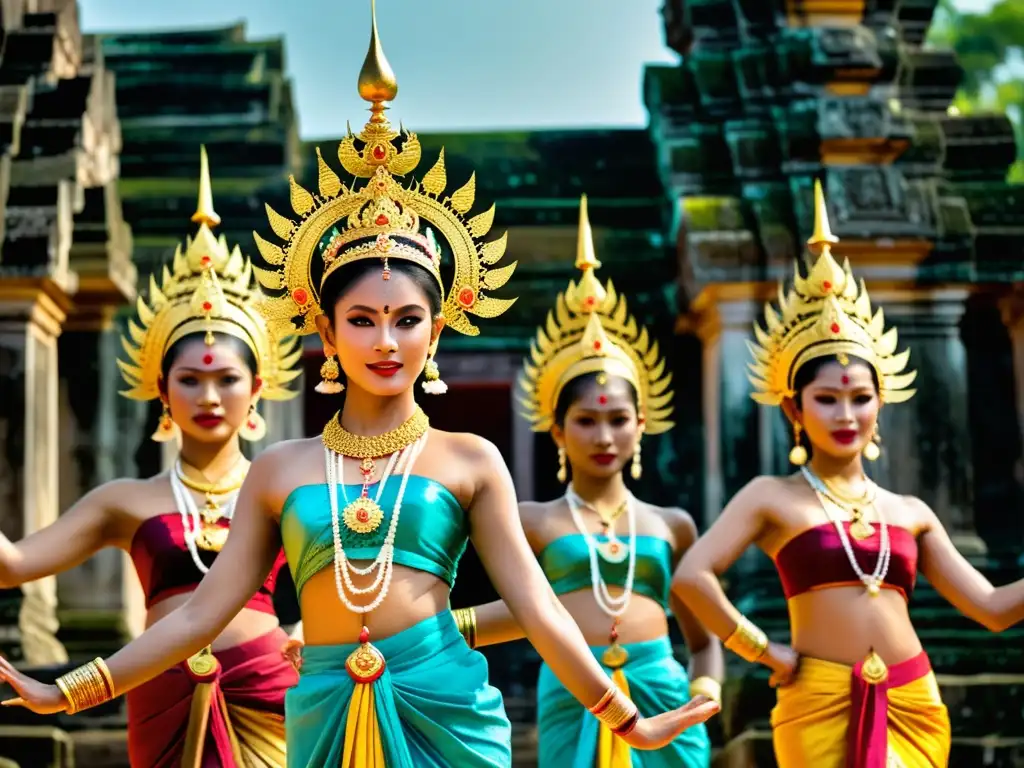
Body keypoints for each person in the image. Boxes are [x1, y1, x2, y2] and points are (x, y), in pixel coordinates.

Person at [0, 5, 720, 767]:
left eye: (408, 319)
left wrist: (625, 718)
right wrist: (72, 689)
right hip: (322, 708)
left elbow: (540, 607)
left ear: (438, 332)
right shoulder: (280, 469)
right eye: (364, 319)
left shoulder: (471, 460)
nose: (386, 341)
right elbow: (198, 617)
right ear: (325, 333)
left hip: (444, 702)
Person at [672, 180, 1024, 767]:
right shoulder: (771, 498)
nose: (846, 414)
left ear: (880, 402)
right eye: (828, 399)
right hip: (818, 698)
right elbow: (691, 578)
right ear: (794, 408)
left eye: (860, 398)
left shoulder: (910, 512)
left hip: (911, 699)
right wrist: (766, 653)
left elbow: (989, 607)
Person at [0, 147, 303, 766]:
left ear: (257, 389)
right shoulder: (125, 502)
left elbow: (351, 584)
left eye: (226, 381)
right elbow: (14, 563)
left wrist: (303, 638)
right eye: (190, 380)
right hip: (158, 689)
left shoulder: (286, 487)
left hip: (271, 690)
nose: (209, 396)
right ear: (162, 391)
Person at [453, 195, 720, 768]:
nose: (604, 436)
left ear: (641, 425)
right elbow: (501, 607)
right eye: (587, 421)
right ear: (556, 429)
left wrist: (706, 694)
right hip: (574, 690)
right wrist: (430, 632)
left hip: (661, 688)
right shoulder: (531, 520)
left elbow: (702, 638)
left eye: (618, 420)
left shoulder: (672, 526)